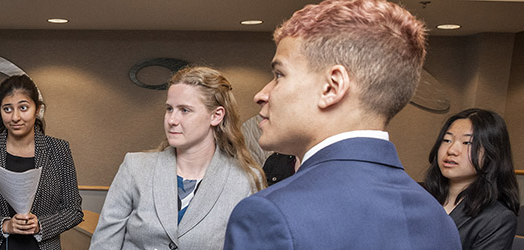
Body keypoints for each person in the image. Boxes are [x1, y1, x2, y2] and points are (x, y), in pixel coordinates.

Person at [224, 0, 462, 249]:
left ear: (331, 87)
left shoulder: (269, 214)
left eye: (279, 75)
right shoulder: (437, 219)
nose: (261, 94)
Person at [91, 66, 265, 249]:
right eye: (169, 109)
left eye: (185, 110)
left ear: (216, 115)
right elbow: (104, 243)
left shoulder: (245, 180)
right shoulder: (136, 168)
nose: (172, 120)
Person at [0, 75, 83, 250]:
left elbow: (73, 210)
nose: (15, 117)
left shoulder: (59, 149)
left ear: (37, 109)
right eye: (7, 109)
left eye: (23, 108)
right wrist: (5, 225)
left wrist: (40, 225)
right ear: (0, 111)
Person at [424, 108, 519, 250]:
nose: (451, 150)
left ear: (492, 153)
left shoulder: (498, 219)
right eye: (447, 140)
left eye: (467, 143)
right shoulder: (417, 195)